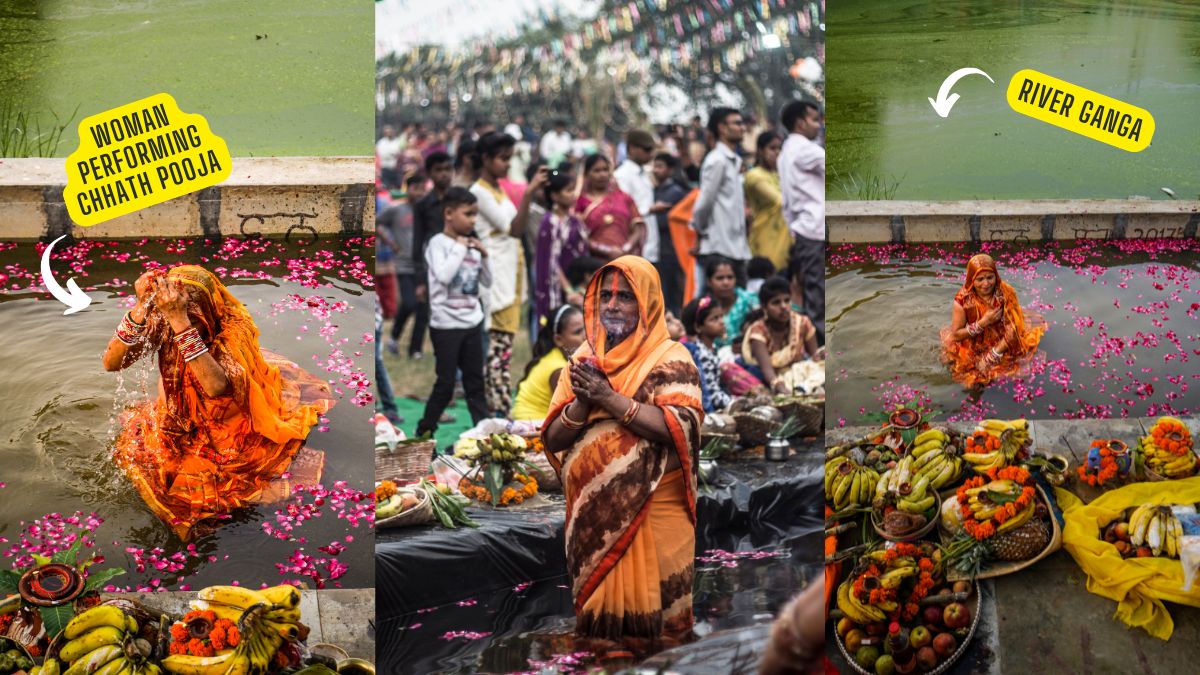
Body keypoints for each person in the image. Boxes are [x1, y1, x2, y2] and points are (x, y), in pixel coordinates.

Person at [541, 256, 703, 647]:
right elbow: (553, 439)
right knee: (601, 638)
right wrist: (582, 403)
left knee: (662, 637)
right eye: (606, 296)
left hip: (656, 512)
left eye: (626, 297)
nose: (612, 305)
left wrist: (609, 398)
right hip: (593, 519)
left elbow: (681, 426)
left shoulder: (671, 358)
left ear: (647, 304)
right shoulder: (582, 359)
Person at [106, 266, 335, 540]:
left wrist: (181, 322)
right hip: (175, 413)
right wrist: (141, 307)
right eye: (171, 310)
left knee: (190, 489)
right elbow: (111, 363)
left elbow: (215, 387)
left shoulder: (231, 333)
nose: (170, 319)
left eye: (191, 314)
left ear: (206, 311)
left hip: (223, 427)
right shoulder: (165, 318)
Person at [470, 132, 548, 417]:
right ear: (486, 159)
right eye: (503, 158)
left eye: (509, 158)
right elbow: (514, 229)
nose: (507, 164)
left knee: (503, 349)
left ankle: (499, 407)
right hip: (497, 280)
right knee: (498, 351)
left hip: (510, 277)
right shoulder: (479, 192)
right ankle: (498, 409)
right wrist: (529, 192)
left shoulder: (498, 190)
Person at [417, 187, 492, 436]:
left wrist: (485, 256)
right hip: (446, 325)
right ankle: (425, 431)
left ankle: (483, 432)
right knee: (446, 384)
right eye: (468, 214)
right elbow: (444, 276)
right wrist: (461, 248)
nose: (473, 220)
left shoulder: (472, 245)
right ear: (449, 213)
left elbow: (487, 282)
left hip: (472, 322)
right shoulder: (438, 244)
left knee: (475, 383)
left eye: (475, 215)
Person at [941, 253, 1046, 387]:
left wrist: (991, 356)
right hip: (973, 341)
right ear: (971, 280)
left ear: (996, 276)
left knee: (1001, 370)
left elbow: (1013, 330)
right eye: (980, 279)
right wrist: (983, 323)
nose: (986, 284)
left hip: (1002, 340)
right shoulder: (962, 300)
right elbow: (956, 335)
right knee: (966, 376)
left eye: (990, 278)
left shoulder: (1005, 293)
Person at [778, 101, 825, 338]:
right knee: (818, 291)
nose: (819, 125)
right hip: (814, 228)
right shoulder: (805, 149)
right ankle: (821, 344)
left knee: (813, 289)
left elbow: (785, 201)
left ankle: (816, 342)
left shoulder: (785, 151)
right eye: (815, 120)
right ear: (800, 122)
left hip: (802, 229)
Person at [691, 108, 752, 293]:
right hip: (719, 248)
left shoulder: (732, 160)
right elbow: (703, 204)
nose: (742, 128)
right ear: (722, 128)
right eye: (737, 123)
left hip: (736, 247)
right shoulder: (717, 160)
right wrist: (701, 230)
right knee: (715, 311)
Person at [742, 276, 821, 395]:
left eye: (787, 300)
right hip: (769, 379)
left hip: (801, 377)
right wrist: (783, 390)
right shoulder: (758, 330)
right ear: (764, 307)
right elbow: (768, 372)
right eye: (776, 303)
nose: (784, 307)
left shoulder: (803, 323)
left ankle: (803, 388)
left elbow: (816, 359)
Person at [412, 152, 455, 358]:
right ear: (430, 174)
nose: (444, 175)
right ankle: (421, 348)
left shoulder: (459, 199)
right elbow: (418, 241)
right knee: (430, 310)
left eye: (448, 169)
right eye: (439, 170)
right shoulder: (423, 205)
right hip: (433, 264)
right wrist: (419, 279)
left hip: (458, 261)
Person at [534, 170, 587, 332]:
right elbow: (551, 263)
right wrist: (568, 289)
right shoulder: (550, 223)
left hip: (576, 283)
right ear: (555, 196)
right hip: (558, 288)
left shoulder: (574, 220)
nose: (573, 195)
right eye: (568, 190)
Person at [511, 305, 585, 421]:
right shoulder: (559, 370)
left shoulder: (555, 356)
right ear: (558, 339)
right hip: (532, 427)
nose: (585, 336)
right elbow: (576, 412)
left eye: (586, 328)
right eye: (577, 332)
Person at [381, 174, 427, 358]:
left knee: (423, 310)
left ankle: (415, 350)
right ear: (408, 189)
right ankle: (393, 338)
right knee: (409, 303)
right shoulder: (397, 210)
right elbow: (377, 224)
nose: (420, 192)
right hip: (403, 265)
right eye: (416, 188)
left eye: (423, 188)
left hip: (423, 266)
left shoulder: (426, 211)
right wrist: (390, 243)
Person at [577, 154, 646, 261]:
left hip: (625, 258)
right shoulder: (580, 202)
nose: (602, 174)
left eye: (605, 170)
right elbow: (578, 234)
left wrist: (625, 249)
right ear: (586, 174)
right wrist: (606, 250)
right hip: (593, 262)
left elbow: (638, 228)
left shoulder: (624, 197)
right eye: (597, 171)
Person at [650, 152, 690, 317]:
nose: (656, 170)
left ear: (670, 170)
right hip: (659, 248)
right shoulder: (654, 189)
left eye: (660, 166)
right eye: (655, 166)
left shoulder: (675, 193)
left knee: (671, 290)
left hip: (670, 249)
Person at [745, 131, 790, 271]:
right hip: (765, 235)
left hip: (785, 236)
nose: (777, 152)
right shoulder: (754, 175)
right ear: (760, 151)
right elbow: (780, 201)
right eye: (772, 148)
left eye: (780, 148)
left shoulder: (779, 174)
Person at [680, 296, 734, 413]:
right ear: (698, 327)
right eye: (714, 319)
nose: (721, 322)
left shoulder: (712, 348)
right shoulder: (701, 354)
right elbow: (711, 394)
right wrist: (732, 402)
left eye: (721, 317)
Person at [613, 130, 659, 265]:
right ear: (631, 149)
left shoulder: (644, 173)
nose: (650, 154)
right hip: (633, 244)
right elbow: (622, 211)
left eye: (652, 150)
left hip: (650, 242)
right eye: (647, 149)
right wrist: (649, 210)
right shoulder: (622, 176)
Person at [704, 256, 758, 347]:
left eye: (730, 277)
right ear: (709, 281)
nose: (726, 283)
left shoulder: (750, 300)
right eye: (720, 278)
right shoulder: (704, 307)